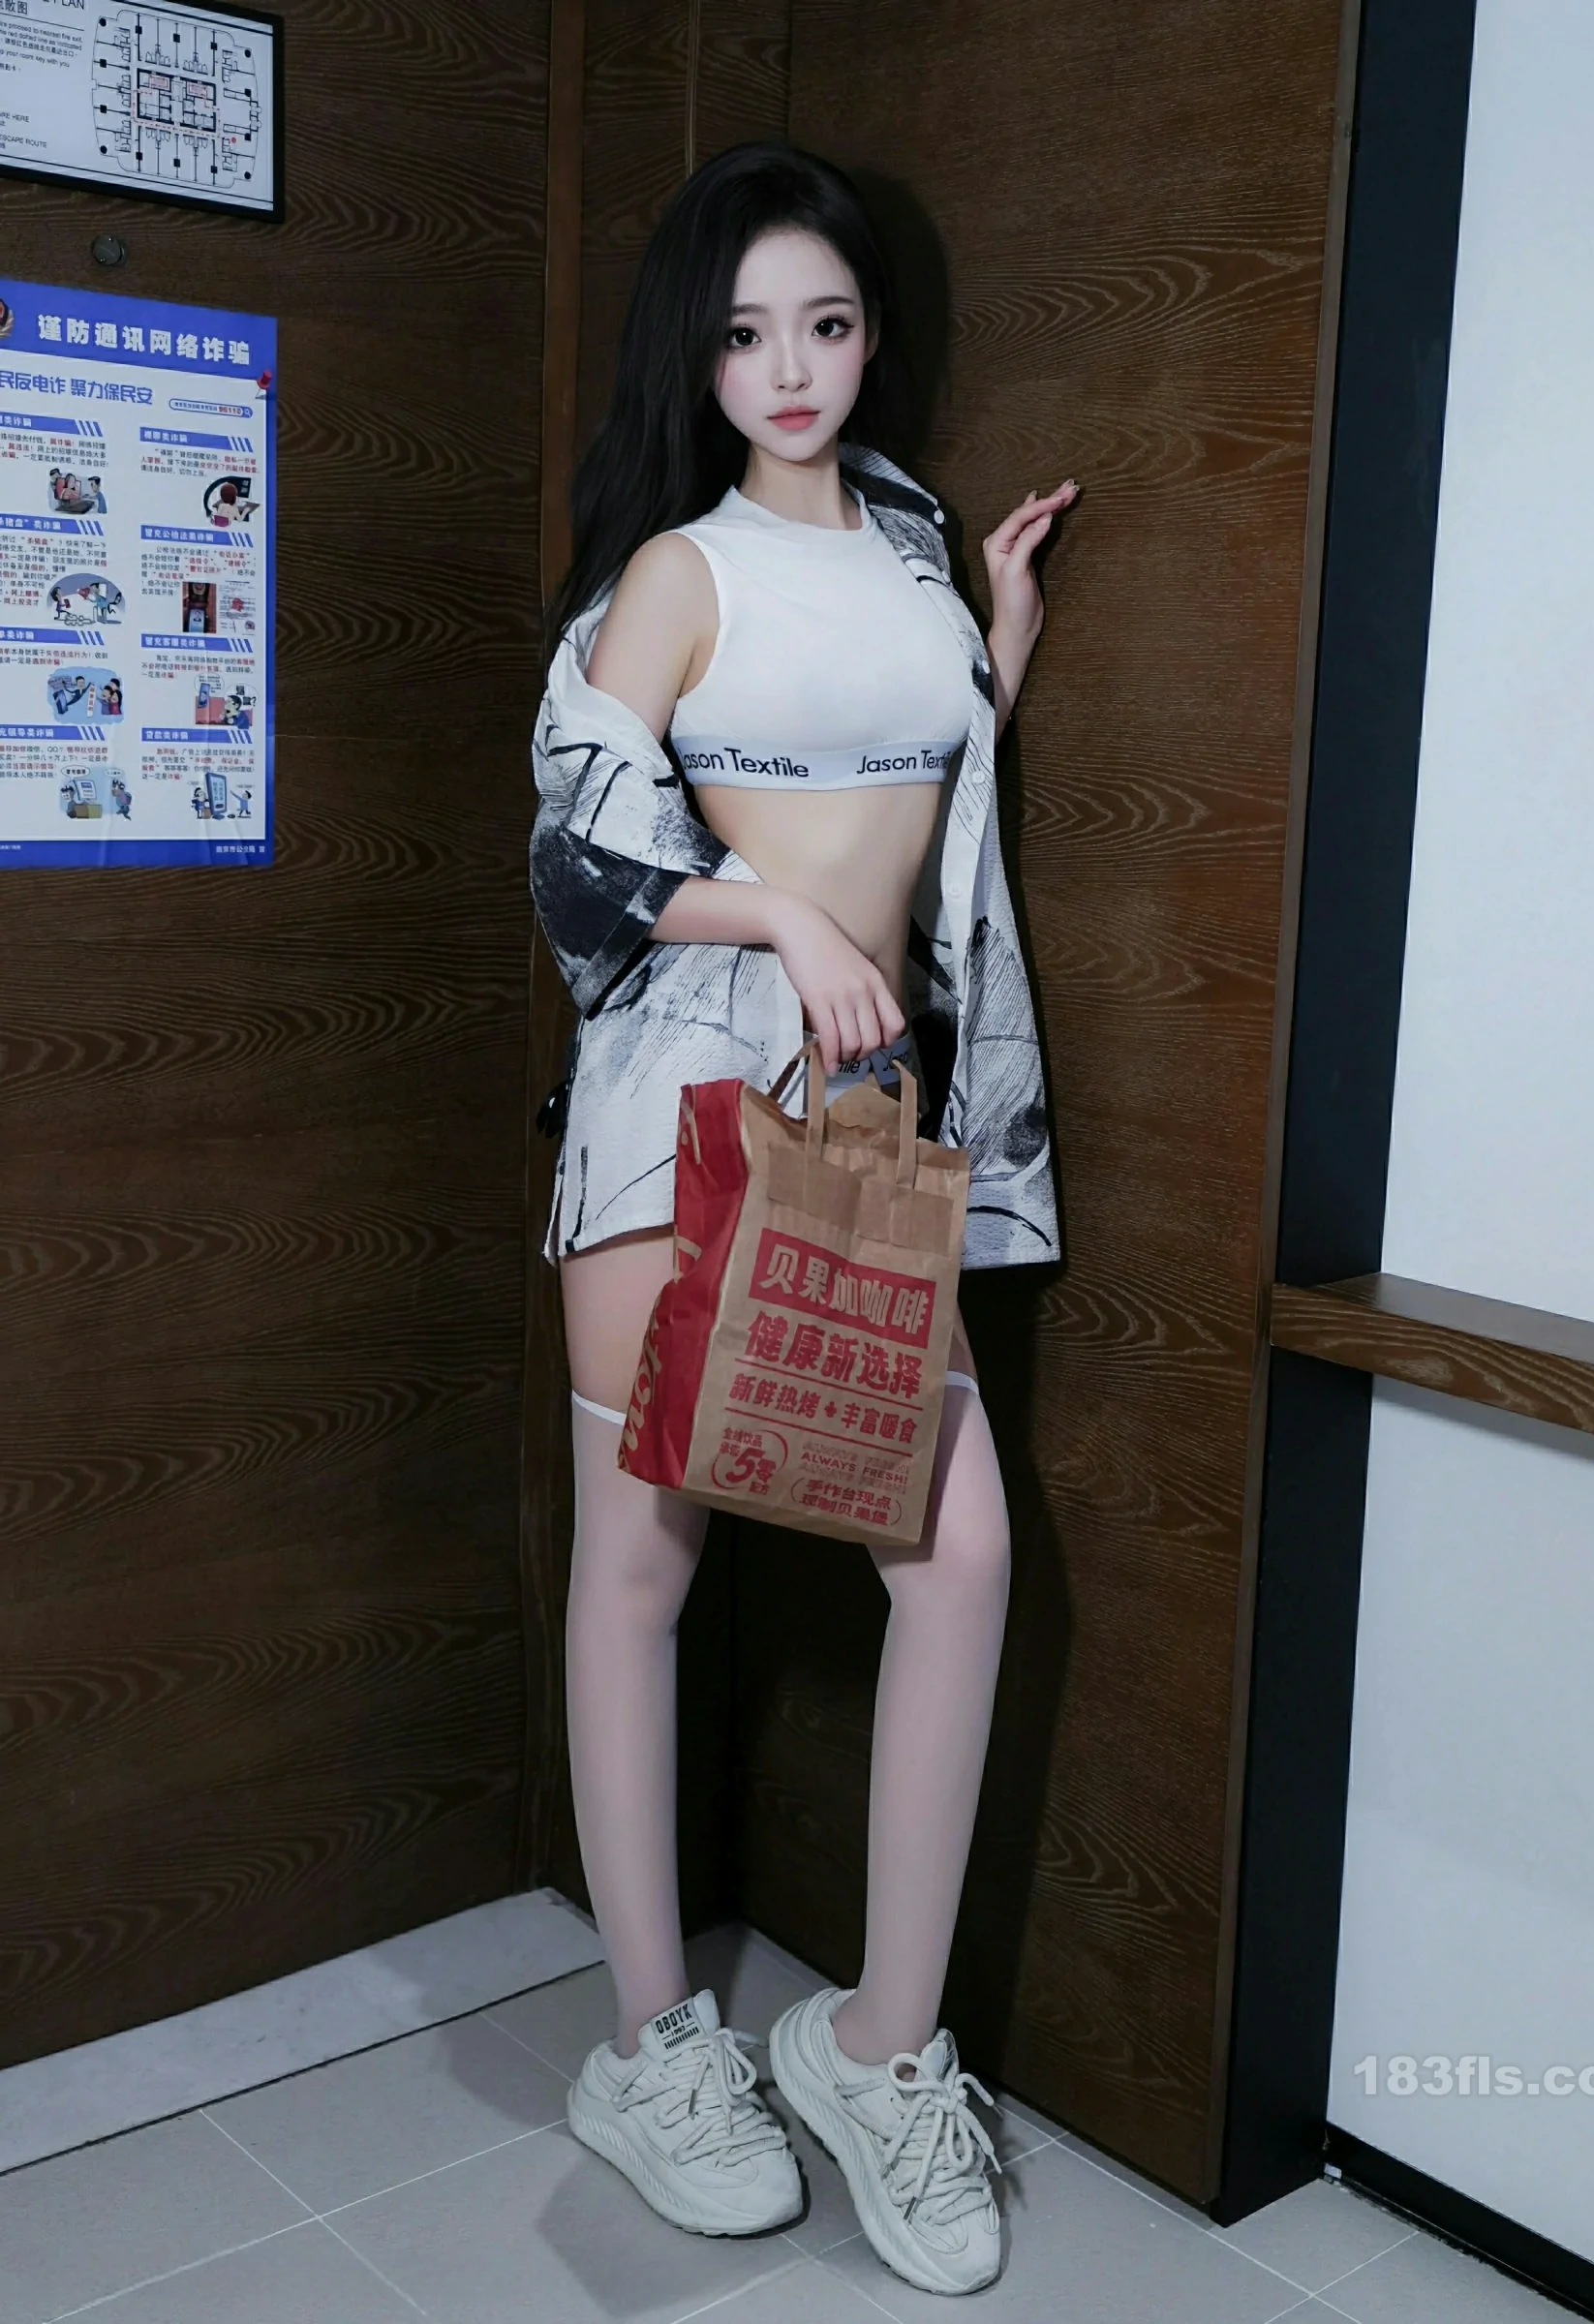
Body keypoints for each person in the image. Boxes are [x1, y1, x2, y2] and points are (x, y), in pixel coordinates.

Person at [530, 141, 1075, 2299]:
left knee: (962, 1554)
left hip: (854, 1123)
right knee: (643, 1561)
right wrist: (772, 914)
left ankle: (875, 2048)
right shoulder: (677, 570)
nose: (790, 368)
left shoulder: (922, 552)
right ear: (701, 351)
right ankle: (654, 2050)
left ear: (868, 339)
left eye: (827, 324)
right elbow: (577, 857)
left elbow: (913, 800)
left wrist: (996, 651)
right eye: (748, 330)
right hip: (681, 1098)